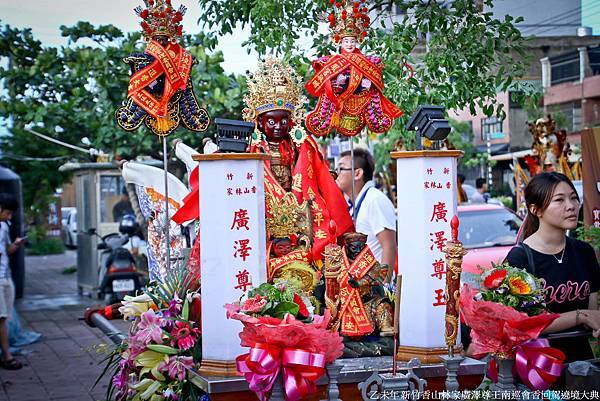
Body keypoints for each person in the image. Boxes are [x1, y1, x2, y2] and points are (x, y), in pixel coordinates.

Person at [504, 172, 600, 361]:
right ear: (535, 209)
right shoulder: (520, 258)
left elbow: (593, 311)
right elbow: (525, 323)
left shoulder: (584, 251)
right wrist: (580, 316)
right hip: (537, 367)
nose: (571, 206)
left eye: (573, 198)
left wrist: (593, 321)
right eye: (559, 200)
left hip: (582, 364)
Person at [335, 148, 396, 268]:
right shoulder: (354, 203)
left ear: (357, 173)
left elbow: (389, 246)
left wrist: (384, 285)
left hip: (375, 284)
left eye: (341, 168)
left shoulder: (374, 200)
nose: (336, 174)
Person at [0, 194, 25, 370]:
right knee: (1, 318)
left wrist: (16, 244)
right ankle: (7, 357)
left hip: (6, 276)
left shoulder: (3, 227)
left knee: (5, 317)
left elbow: (6, 250)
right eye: (7, 213)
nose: (9, 217)